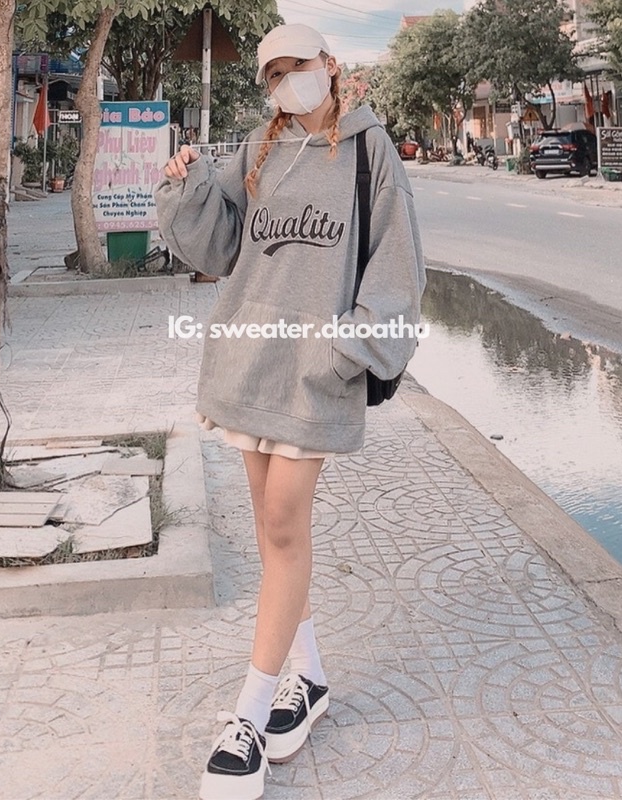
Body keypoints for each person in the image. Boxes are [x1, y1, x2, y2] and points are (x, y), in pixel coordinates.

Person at [155, 22, 425, 800]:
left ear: (329, 65)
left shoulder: (372, 151)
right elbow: (217, 248)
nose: (284, 82)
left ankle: (246, 714)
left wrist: (350, 348)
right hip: (249, 360)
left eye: (295, 67)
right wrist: (185, 182)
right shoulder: (259, 146)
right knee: (277, 536)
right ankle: (307, 677)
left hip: (313, 373)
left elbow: (399, 267)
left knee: (281, 525)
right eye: (272, 73)